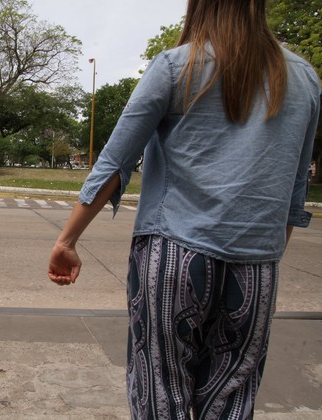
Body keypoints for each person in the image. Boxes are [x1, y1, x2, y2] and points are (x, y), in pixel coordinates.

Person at [48, 0, 320, 418]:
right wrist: (266, 253)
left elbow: (115, 162)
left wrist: (68, 240)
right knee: (233, 400)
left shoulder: (177, 66)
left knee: (161, 392)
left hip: (173, 253)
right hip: (257, 266)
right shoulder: (302, 78)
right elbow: (293, 191)